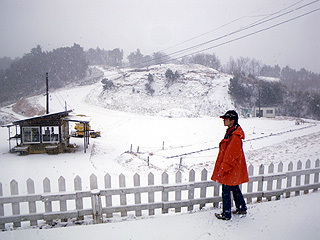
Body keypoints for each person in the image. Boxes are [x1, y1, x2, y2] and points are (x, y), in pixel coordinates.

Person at [211, 110, 249, 220]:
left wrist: (223, 168)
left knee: (226, 190)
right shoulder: (231, 132)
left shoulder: (235, 136)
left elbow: (230, 156)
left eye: (226, 119)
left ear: (232, 121)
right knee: (234, 187)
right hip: (233, 168)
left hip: (231, 168)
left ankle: (226, 214)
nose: (224, 120)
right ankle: (241, 208)